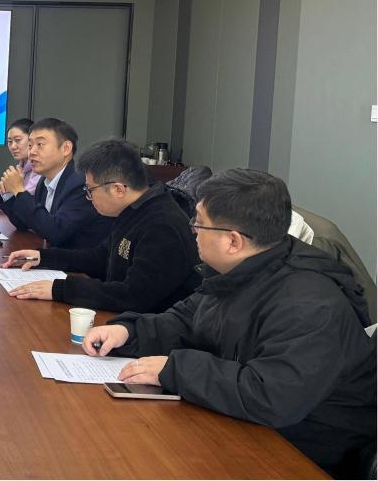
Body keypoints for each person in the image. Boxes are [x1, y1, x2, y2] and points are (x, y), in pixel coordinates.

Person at [82, 169, 376, 479]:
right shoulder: (246, 269)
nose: (192, 231)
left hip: (304, 453)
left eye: (198, 223)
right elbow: (186, 320)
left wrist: (175, 369)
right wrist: (127, 331)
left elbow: (271, 395)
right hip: (247, 426)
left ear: (233, 241)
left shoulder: (311, 304)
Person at [2, 139, 200, 313]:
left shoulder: (162, 225)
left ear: (118, 189)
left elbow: (132, 296)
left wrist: (60, 289)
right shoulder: (132, 210)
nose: (89, 198)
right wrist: (43, 257)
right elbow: (100, 258)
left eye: (90, 190)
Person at [0, 118, 112, 249]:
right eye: (30, 145)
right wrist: (8, 193)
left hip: (80, 260)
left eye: (40, 144)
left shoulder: (80, 183)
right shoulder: (44, 181)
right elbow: (25, 223)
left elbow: (56, 232)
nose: (32, 152)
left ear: (66, 148)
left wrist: (20, 191)